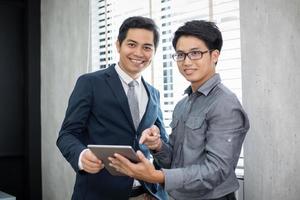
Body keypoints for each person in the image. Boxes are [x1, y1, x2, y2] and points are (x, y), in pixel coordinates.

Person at [109, 20, 250, 200]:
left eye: (195, 53)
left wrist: (155, 176)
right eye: (181, 55)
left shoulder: (225, 104)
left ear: (214, 55)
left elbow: (216, 171)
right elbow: (174, 160)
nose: (186, 61)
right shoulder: (182, 105)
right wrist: (157, 145)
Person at [56, 16, 169, 200]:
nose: (139, 53)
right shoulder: (90, 83)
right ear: (118, 45)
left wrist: (157, 144)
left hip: (147, 194)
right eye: (132, 44)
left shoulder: (154, 94)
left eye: (147, 47)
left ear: (154, 52)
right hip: (99, 193)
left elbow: (163, 146)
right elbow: (67, 134)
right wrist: (81, 155)